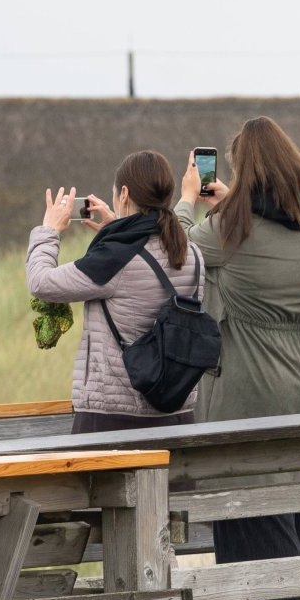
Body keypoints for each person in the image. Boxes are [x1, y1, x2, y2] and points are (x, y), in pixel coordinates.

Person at [175, 116, 300, 600]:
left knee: (250, 539)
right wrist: (229, 207)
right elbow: (255, 259)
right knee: (294, 525)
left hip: (246, 391)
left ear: (246, 167)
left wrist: (189, 196)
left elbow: (177, 247)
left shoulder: (229, 231)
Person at [26, 151, 205, 434]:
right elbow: (145, 268)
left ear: (124, 194)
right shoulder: (191, 251)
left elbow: (41, 283)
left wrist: (49, 231)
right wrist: (116, 229)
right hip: (179, 417)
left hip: (114, 421)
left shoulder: (115, 259)